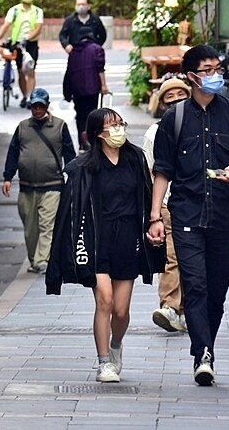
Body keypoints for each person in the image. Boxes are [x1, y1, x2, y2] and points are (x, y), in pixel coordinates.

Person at [148, 44, 229, 386]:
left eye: (218, 69)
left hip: (225, 217)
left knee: (216, 291)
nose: (215, 76)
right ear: (191, 75)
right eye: (207, 70)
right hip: (185, 214)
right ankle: (203, 354)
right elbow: (163, 170)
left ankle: (205, 344)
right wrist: (154, 215)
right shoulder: (175, 118)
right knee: (194, 285)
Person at [46, 108, 165, 383]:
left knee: (121, 311)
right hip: (96, 241)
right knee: (105, 301)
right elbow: (70, 211)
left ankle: (115, 345)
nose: (118, 129)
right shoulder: (83, 167)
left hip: (127, 240)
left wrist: (152, 224)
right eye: (112, 125)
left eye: (120, 124)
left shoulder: (134, 158)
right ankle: (103, 364)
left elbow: (147, 195)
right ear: (98, 132)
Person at [2, 88, 75, 274]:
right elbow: (13, 153)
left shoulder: (59, 126)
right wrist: (7, 177)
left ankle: (43, 260)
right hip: (27, 186)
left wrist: (73, 177)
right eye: (34, 106)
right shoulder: (23, 127)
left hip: (52, 185)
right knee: (30, 229)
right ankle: (35, 260)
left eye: (40, 106)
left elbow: (69, 153)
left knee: (47, 225)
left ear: (47, 106)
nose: (37, 110)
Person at [142, 78, 191, 333]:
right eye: (169, 98)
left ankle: (185, 310)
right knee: (171, 257)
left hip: (197, 204)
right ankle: (170, 306)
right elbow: (150, 171)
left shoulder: (200, 129)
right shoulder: (155, 132)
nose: (175, 101)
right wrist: (154, 211)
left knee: (192, 259)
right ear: (162, 103)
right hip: (167, 203)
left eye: (180, 96)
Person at [0, 0, 43, 107]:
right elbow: (6, 26)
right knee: (21, 71)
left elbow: (38, 28)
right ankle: (25, 95)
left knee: (31, 71)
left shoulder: (38, 11)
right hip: (17, 45)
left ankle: (30, 98)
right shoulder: (14, 10)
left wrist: (27, 38)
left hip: (30, 44)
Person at [62, 27, 107, 149]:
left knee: (80, 115)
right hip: (92, 89)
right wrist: (103, 85)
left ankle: (82, 143)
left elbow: (69, 72)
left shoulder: (73, 52)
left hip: (77, 90)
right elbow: (100, 68)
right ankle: (91, 142)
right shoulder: (97, 49)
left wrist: (67, 92)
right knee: (92, 114)